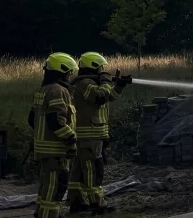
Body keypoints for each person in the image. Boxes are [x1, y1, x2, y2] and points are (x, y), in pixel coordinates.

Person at [67, 52, 129, 215]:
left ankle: (77, 201)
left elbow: (109, 97)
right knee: (93, 170)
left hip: (92, 135)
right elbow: (100, 97)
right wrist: (106, 80)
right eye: (101, 67)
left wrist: (119, 86)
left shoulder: (91, 83)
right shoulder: (84, 83)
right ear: (94, 67)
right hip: (89, 136)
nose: (103, 70)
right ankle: (97, 203)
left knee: (80, 171)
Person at [28, 52, 78, 218]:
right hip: (55, 150)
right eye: (69, 72)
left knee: (46, 186)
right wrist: (70, 139)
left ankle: (41, 213)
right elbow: (56, 122)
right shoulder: (58, 91)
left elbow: (32, 120)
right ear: (62, 72)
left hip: (43, 150)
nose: (70, 75)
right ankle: (50, 215)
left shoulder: (42, 90)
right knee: (55, 187)